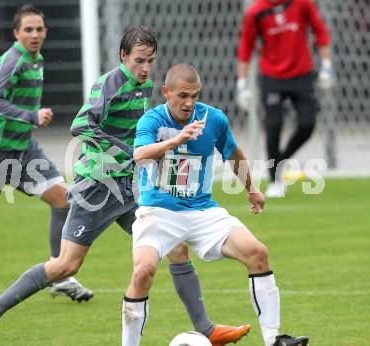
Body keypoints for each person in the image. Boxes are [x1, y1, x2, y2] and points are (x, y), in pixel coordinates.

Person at [0, 26, 249, 346]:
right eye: (139, 61)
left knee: (176, 247)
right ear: (123, 56)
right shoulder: (110, 83)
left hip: (130, 188)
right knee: (66, 265)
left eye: (150, 61)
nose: (145, 68)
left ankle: (207, 329)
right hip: (97, 188)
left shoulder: (143, 87)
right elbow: (82, 126)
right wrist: (127, 153)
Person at [121, 63, 309, 346]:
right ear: (166, 92)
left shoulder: (213, 119)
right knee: (143, 272)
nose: (189, 103)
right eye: (183, 95)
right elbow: (140, 155)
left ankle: (274, 339)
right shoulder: (152, 120)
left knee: (257, 252)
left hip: (202, 211)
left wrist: (252, 189)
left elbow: (232, 152)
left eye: (194, 96)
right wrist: (176, 140)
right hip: (158, 212)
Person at [0, 5, 92, 302]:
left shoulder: (37, 60)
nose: (35, 34)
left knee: (63, 199)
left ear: (46, 32)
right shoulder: (13, 60)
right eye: (28, 30)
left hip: (22, 151)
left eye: (39, 29)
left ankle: (59, 274)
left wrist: (27, 120)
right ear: (16, 33)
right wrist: (31, 115)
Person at [236, 0, 335, 197]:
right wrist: (242, 83)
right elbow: (246, 46)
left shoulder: (302, 4)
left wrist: (327, 65)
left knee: (308, 124)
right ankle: (274, 181)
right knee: (274, 126)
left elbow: (320, 31)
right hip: (272, 77)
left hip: (302, 74)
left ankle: (280, 161)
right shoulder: (256, 11)